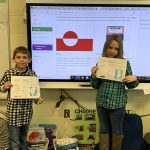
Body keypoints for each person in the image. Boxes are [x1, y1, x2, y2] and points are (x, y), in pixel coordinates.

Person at [90, 35, 139, 150]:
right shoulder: (101, 62)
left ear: (119, 50)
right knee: (103, 129)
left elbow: (131, 85)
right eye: (110, 47)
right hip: (101, 102)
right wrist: (93, 75)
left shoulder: (125, 63)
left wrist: (134, 79)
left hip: (117, 104)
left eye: (116, 49)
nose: (113, 51)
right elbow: (95, 85)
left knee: (117, 131)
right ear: (105, 48)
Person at [0, 46, 43, 150]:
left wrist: (38, 99)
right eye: (18, 57)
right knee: (14, 140)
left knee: (24, 139)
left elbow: (34, 93)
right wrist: (4, 87)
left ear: (29, 59)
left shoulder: (32, 74)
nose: (22, 60)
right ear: (14, 59)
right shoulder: (9, 73)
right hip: (13, 112)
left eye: (24, 57)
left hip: (26, 112)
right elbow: (1, 88)